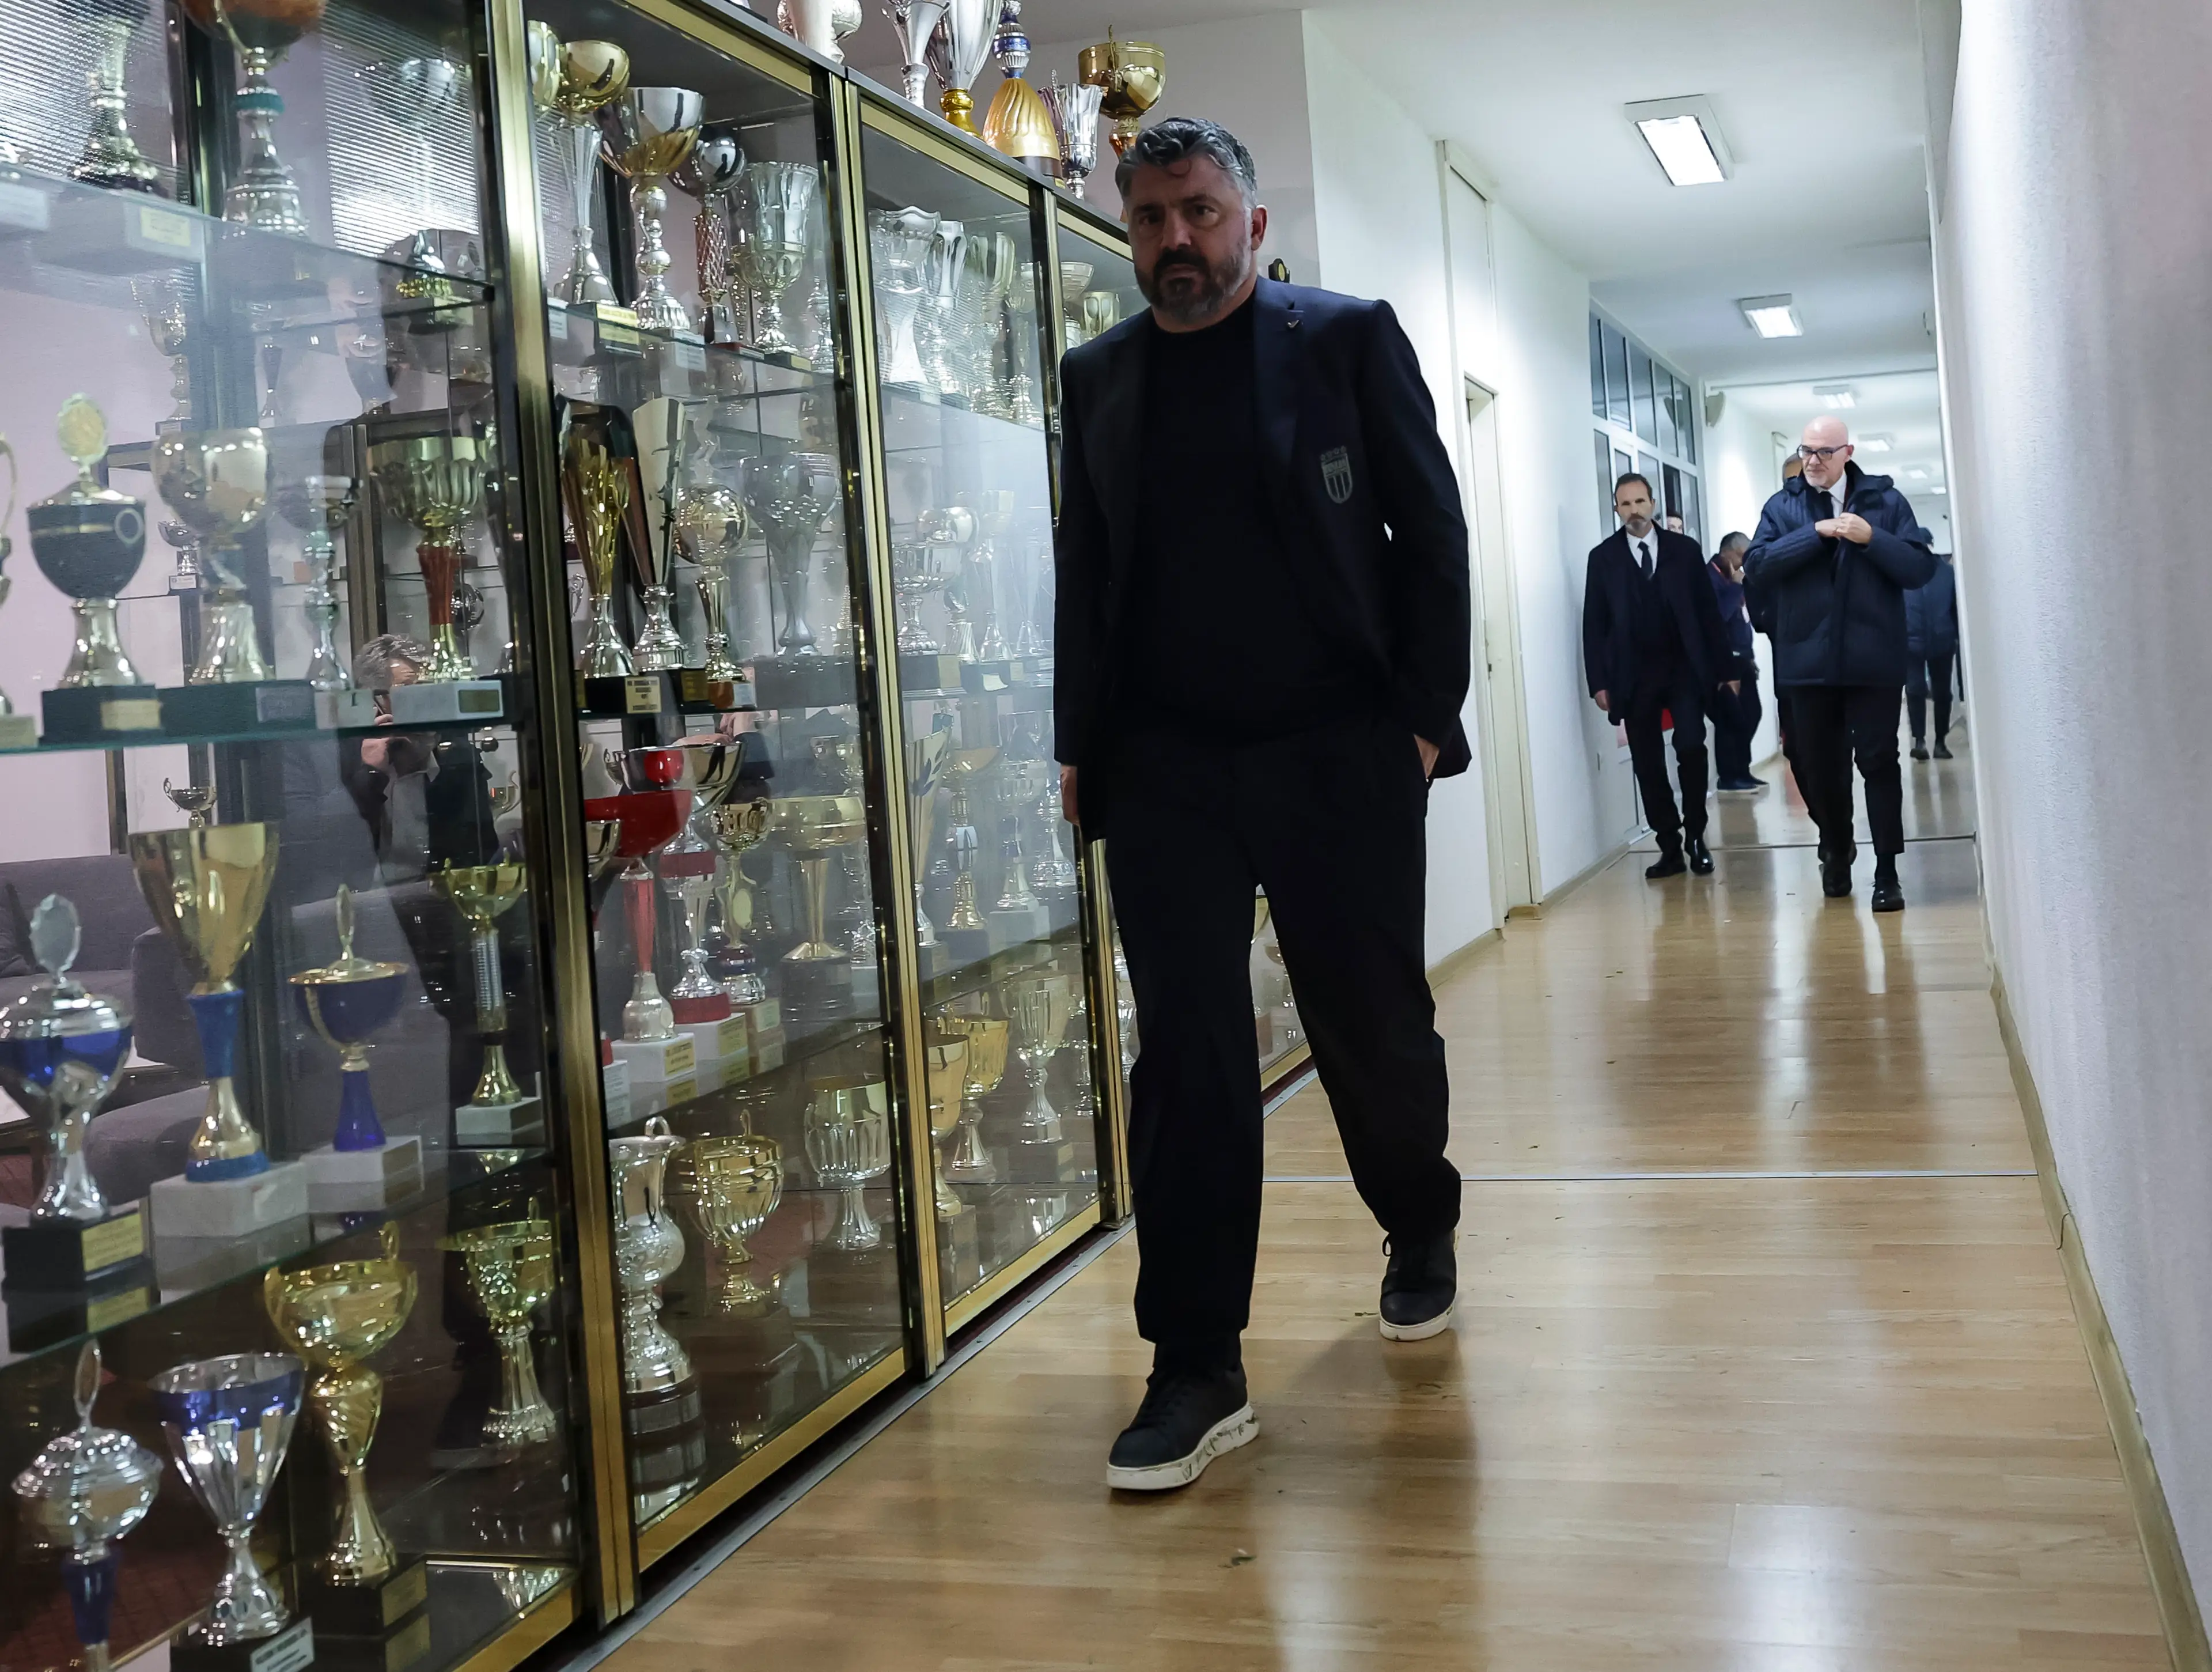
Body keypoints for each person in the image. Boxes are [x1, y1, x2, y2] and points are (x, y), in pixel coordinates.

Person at [1052, 116, 1469, 1492]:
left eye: (1200, 211)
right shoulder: (1098, 376)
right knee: (1183, 1052)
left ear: (1253, 219)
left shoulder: (1345, 341)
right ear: (1128, 233)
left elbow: (1429, 534)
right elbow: (1086, 564)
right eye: (1153, 219)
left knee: (1366, 1018)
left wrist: (1418, 721)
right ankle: (1193, 1361)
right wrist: (1078, 744)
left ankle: (1416, 1215)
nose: (1178, 240)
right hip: (1165, 763)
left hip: (1334, 746)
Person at [1745, 417, 1936, 910]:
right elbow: (1758, 565)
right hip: (1806, 663)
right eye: (1807, 450)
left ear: (1847, 452)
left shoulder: (1886, 503)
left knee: (1878, 763)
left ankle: (1888, 873)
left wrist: (1872, 538)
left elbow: (1919, 568)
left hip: (1873, 661)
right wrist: (1816, 534)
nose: (1813, 461)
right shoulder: (1782, 507)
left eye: (1825, 452)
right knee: (1814, 764)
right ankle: (1836, 844)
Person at [1581, 473, 1735, 879]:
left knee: (1691, 746)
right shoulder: (1603, 558)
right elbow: (1593, 624)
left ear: (1653, 503)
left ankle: (1697, 838)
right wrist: (1598, 681)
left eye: (1640, 502)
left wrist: (1725, 670)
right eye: (1625, 504)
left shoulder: (1684, 551)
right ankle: (1669, 845)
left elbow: (1708, 614)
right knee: (1648, 763)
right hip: (1633, 676)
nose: (1634, 511)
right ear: (1617, 509)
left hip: (1684, 668)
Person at [1707, 532, 1765, 791]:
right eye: (1742, 556)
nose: (1744, 562)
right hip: (1723, 660)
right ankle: (1729, 776)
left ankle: (1742, 769)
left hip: (1743, 659)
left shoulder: (1735, 580)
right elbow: (1718, 617)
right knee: (1731, 719)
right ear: (1728, 553)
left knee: (1753, 713)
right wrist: (1737, 586)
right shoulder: (1710, 578)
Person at [1904, 553, 1959, 759]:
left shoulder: (1947, 574)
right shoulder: (1904, 570)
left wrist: (1955, 636)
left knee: (1943, 694)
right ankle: (1919, 741)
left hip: (1942, 641)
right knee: (1915, 690)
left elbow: (1955, 607)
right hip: (1910, 642)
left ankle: (1940, 742)